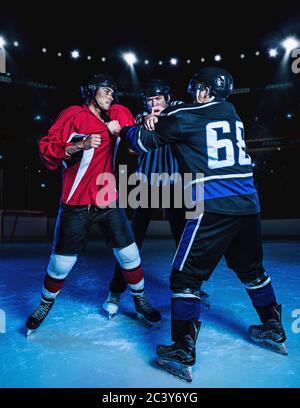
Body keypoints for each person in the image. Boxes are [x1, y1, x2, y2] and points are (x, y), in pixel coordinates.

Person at [121, 67, 287, 382]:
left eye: (197, 88)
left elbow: (142, 143)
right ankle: (273, 327)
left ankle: (182, 350)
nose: (194, 92)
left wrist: (134, 126)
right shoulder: (232, 112)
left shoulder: (185, 115)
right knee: (252, 271)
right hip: (248, 203)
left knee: (184, 278)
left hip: (214, 204)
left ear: (205, 91)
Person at [25, 74, 160, 335]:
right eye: (106, 91)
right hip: (76, 202)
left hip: (107, 198)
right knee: (61, 264)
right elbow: (47, 151)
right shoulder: (74, 114)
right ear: (90, 92)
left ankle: (140, 300)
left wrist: (146, 120)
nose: (111, 96)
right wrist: (80, 144)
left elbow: (134, 135)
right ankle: (44, 304)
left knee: (130, 254)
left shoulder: (117, 113)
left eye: (113, 92)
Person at [103, 79, 209, 319]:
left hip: (175, 184)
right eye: (150, 100)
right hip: (145, 184)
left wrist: (164, 117)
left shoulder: (177, 109)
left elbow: (188, 111)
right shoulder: (142, 116)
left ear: (168, 98)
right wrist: (144, 120)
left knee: (183, 240)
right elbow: (133, 129)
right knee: (132, 242)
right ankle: (115, 291)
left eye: (158, 99)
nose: (154, 104)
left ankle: (194, 287)